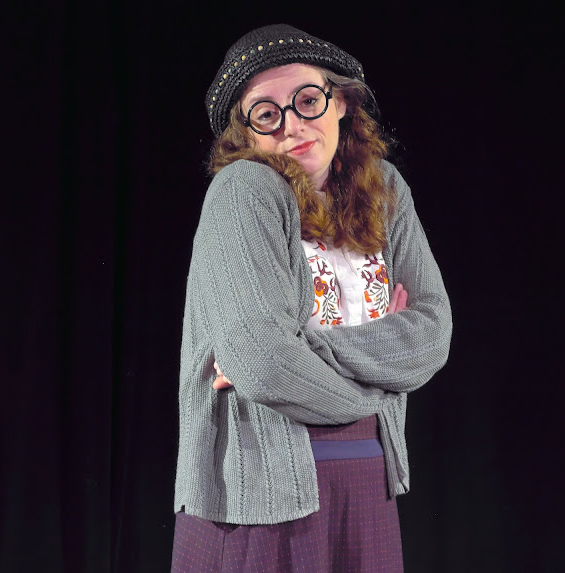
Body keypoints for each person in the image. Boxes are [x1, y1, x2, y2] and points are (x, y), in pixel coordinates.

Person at [171, 23, 452, 572]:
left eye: (306, 100)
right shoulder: (245, 191)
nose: (292, 125)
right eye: (266, 114)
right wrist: (377, 383)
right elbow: (263, 363)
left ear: (340, 101)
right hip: (262, 491)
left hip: (367, 478)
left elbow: (431, 332)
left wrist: (303, 346)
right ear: (246, 134)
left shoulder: (384, 189)